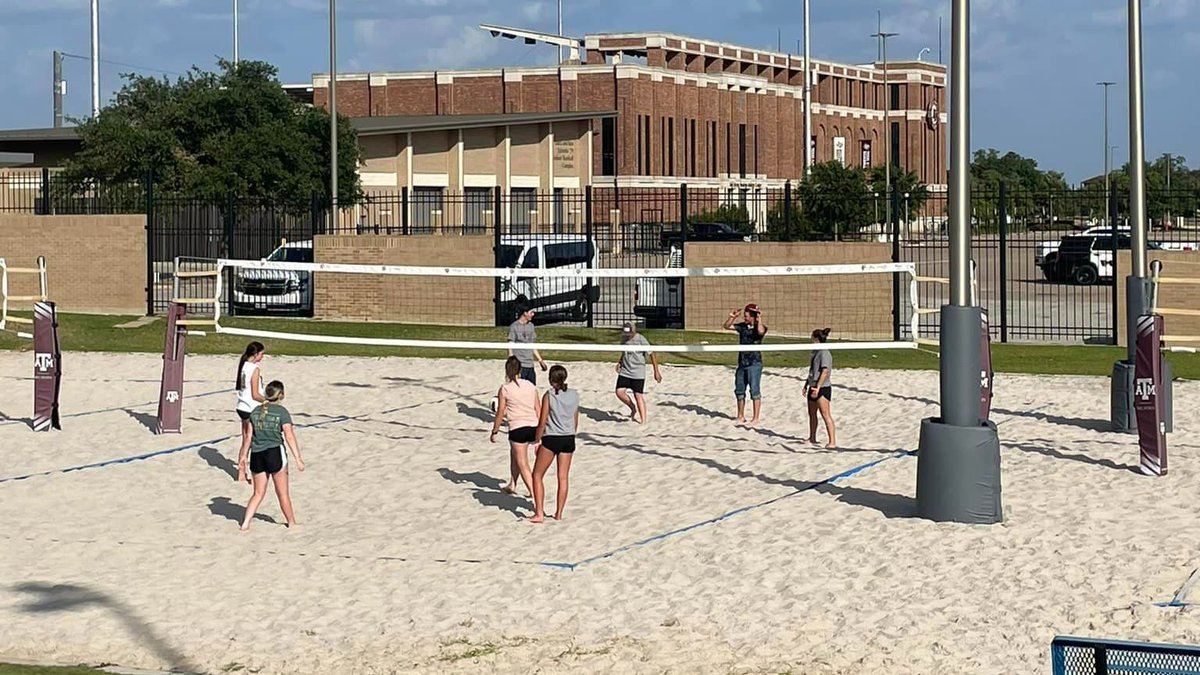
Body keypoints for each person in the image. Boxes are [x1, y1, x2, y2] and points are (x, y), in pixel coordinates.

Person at [238, 380, 305, 531]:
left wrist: (243, 457)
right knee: (282, 493)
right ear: (281, 395)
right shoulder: (282, 412)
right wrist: (298, 458)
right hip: (275, 453)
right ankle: (291, 522)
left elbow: (248, 437)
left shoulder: (255, 411)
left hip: (257, 454)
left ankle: (245, 523)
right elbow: (289, 435)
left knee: (258, 493)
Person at [530, 365, 580, 523]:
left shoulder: (549, 395)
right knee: (563, 477)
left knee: (537, 475)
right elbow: (575, 418)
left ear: (551, 379)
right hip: (568, 437)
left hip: (552, 438)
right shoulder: (574, 394)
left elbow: (543, 421)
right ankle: (559, 513)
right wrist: (572, 432)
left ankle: (539, 513)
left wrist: (536, 439)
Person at [490, 356, 540, 498]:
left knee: (523, 462)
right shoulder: (530, 386)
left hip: (518, 428)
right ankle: (513, 483)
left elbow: (500, 411)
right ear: (520, 369)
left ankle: (534, 492)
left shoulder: (505, 389)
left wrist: (495, 430)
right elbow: (538, 408)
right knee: (514, 455)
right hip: (533, 426)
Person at [722, 303, 767, 425]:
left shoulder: (760, 327)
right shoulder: (742, 326)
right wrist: (732, 317)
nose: (744, 318)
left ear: (753, 317)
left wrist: (759, 319)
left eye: (746, 316)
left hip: (754, 363)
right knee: (740, 390)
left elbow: (761, 332)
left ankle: (755, 418)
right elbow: (726, 326)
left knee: (755, 391)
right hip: (742, 363)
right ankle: (740, 416)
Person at [614, 321, 662, 424]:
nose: (628, 336)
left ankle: (643, 420)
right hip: (625, 370)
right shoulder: (623, 339)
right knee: (619, 392)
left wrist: (656, 372)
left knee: (638, 395)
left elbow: (652, 354)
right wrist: (620, 362)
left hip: (638, 372)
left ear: (633, 331)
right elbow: (624, 352)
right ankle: (632, 407)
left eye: (629, 333)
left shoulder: (640, 339)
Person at [234, 342, 267, 484]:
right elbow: (255, 394)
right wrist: (268, 400)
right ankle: (243, 470)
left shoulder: (244, 365)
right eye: (261, 354)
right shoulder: (254, 368)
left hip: (242, 406)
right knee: (249, 440)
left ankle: (241, 472)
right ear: (255, 354)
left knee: (245, 439)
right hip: (250, 407)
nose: (263, 356)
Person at [806, 327, 837, 448]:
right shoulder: (816, 352)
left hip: (822, 387)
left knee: (825, 414)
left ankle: (832, 442)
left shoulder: (824, 353)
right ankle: (812, 437)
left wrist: (817, 387)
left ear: (816, 339)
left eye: (812, 338)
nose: (811, 340)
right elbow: (812, 371)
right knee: (812, 414)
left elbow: (825, 372)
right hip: (813, 385)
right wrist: (806, 385)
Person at [508, 303, 548, 384]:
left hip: (530, 364)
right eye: (531, 312)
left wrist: (540, 360)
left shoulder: (531, 326)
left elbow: (532, 345)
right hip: (519, 364)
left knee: (531, 388)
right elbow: (510, 344)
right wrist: (511, 361)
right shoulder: (514, 326)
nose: (533, 314)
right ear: (525, 313)